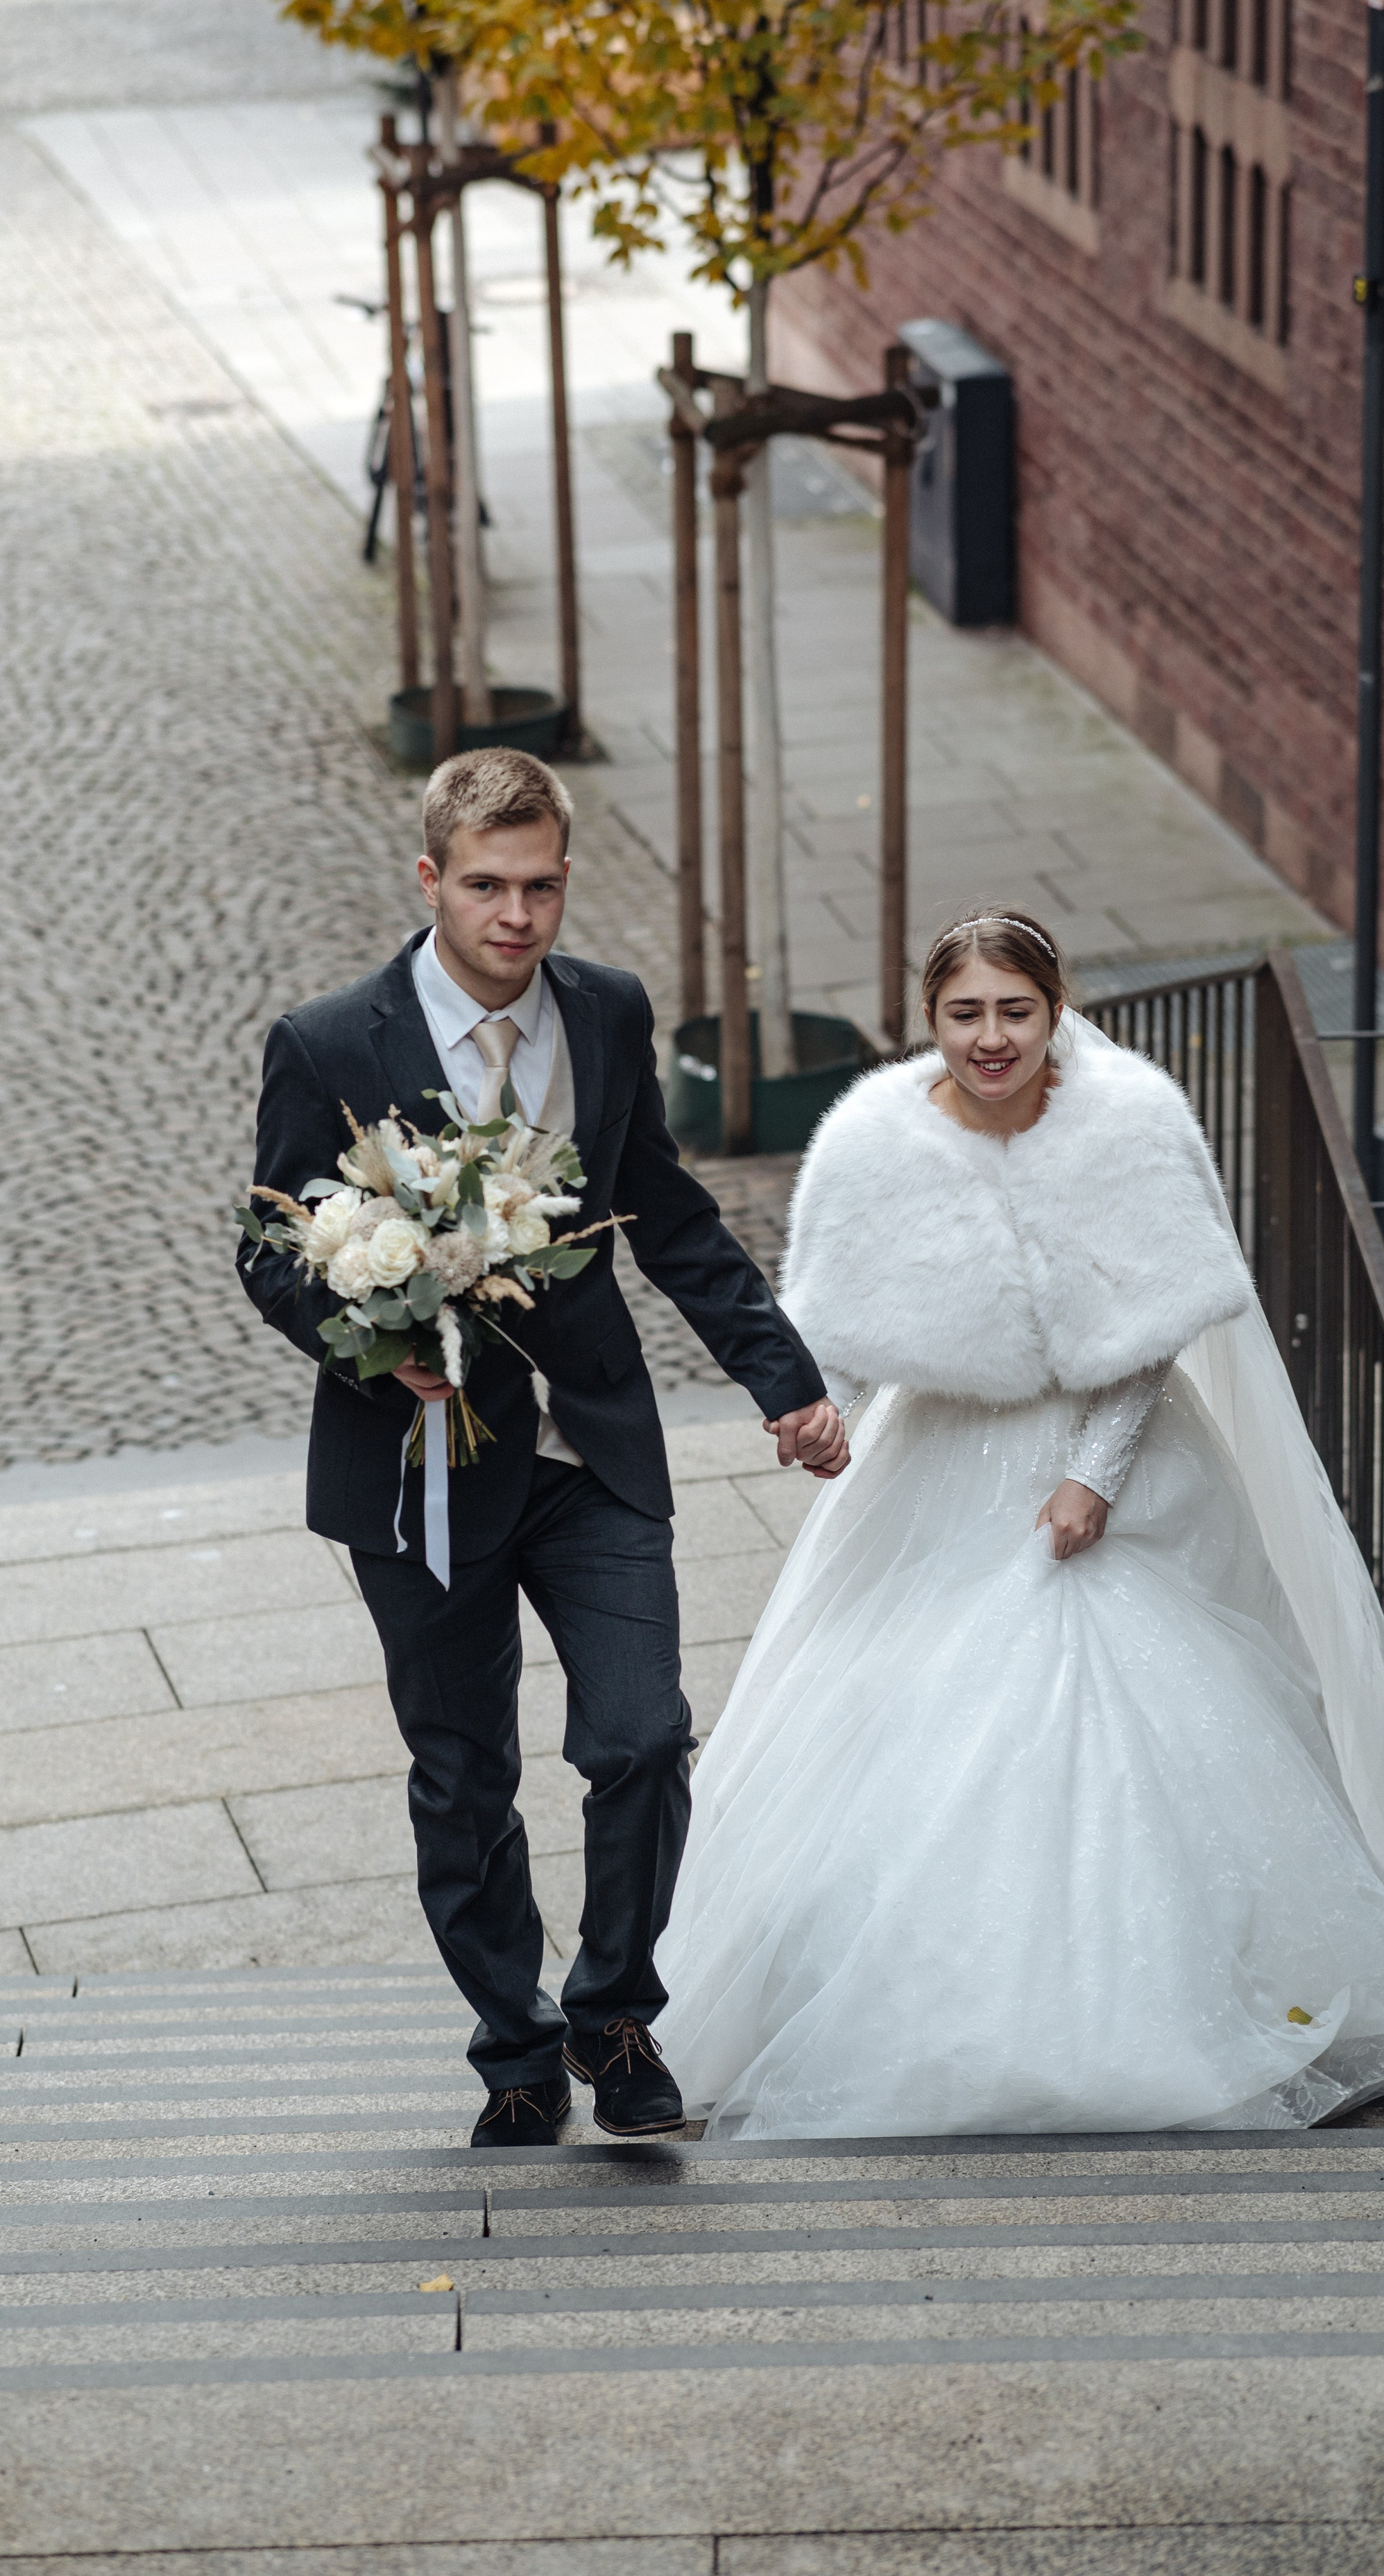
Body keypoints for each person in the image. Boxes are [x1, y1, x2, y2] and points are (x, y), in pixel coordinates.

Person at [657, 908, 1384, 2141]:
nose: (991, 1036)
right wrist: (823, 1417)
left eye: (1015, 1009)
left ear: (1054, 1009)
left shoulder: (1124, 1126)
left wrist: (1093, 1479)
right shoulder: (871, 1139)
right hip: (937, 1463)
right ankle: (930, 1999)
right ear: (930, 1020)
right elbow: (848, 1324)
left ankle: (1166, 2002)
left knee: (1139, 1714)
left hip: (1098, 1464)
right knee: (897, 1716)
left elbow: (1148, 1327)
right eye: (966, 1013)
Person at [239, 750, 848, 2148]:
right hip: (423, 1467)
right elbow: (269, 1249)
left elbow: (666, 1214)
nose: (516, 915)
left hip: (592, 1451)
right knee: (464, 1780)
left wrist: (783, 1380)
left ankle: (614, 2016)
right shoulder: (331, 1043)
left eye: (540, 887)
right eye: (486, 887)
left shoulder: (611, 1016)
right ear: (431, 881)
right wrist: (368, 1334)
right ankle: (512, 2046)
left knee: (640, 1740)